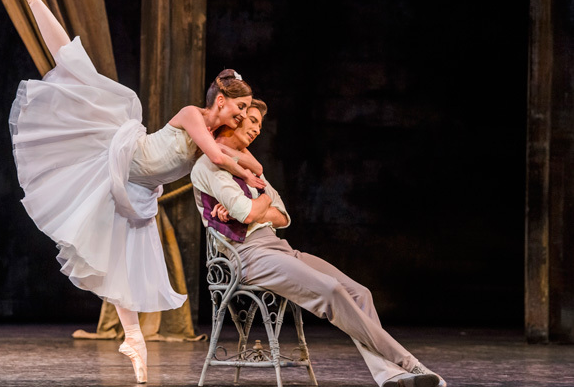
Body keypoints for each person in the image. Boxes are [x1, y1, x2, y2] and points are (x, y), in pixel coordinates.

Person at [5, 0, 265, 384]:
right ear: (220, 101)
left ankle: (134, 341)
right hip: (119, 151)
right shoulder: (192, 117)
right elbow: (222, 156)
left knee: (119, 261)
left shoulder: (217, 138)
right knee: (76, 69)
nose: (240, 117)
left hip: (134, 188)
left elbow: (238, 155)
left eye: (244, 112)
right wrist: (244, 170)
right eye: (239, 108)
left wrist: (254, 170)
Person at [190, 99, 447, 387]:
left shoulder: (249, 167)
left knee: (359, 293)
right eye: (252, 121)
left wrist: (255, 204)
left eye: (260, 125)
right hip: (248, 256)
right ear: (233, 120)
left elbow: (282, 215)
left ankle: (390, 376)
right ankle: (408, 362)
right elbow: (252, 211)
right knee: (331, 290)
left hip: (278, 248)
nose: (257, 130)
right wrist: (258, 202)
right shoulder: (210, 166)